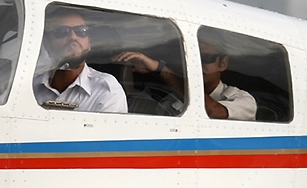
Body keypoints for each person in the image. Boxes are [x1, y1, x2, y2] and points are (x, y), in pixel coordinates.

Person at [112, 31, 256, 121]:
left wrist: (161, 69)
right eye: (193, 58)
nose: (198, 65)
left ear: (223, 63)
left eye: (206, 57)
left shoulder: (244, 100)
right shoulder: (171, 101)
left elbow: (213, 111)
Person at [33, 7, 127, 113]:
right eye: (62, 32)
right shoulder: (31, 86)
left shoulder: (106, 90)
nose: (73, 37)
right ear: (46, 44)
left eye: (81, 31)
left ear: (89, 43)